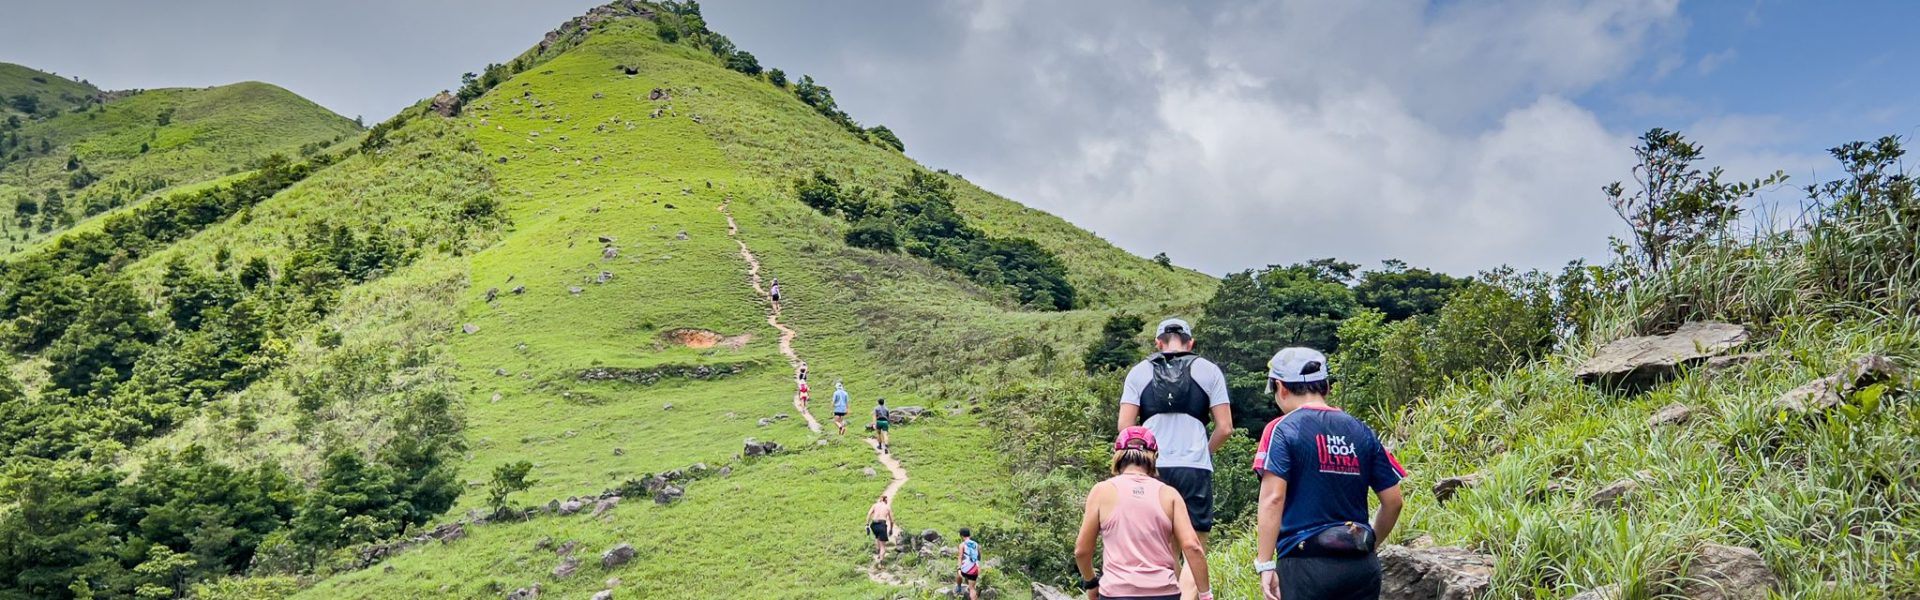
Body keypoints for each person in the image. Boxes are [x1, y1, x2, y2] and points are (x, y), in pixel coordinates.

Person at [1254, 347, 1405, 600]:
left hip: (1305, 565)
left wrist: (1265, 563)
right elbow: (1394, 501)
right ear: (1325, 387)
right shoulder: (1362, 430)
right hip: (1361, 567)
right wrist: (1368, 546)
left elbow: (1273, 499)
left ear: (1281, 387)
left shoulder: (1280, 429)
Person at [1116, 318, 1232, 600]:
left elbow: (1125, 427)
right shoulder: (1208, 370)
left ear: (1158, 343)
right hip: (1194, 467)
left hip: (1153, 468)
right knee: (1195, 543)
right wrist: (1204, 450)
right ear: (1190, 343)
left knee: (1166, 546)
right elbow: (1226, 428)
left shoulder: (1140, 372)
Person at [1073, 426, 1214, 600]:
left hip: (1116, 593)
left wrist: (1091, 583)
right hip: (1164, 593)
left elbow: (1082, 550)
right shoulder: (1169, 495)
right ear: (1154, 456)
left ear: (1117, 455)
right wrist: (1205, 595)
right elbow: (1193, 547)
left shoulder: (1101, 492)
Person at [954, 527, 982, 599]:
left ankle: (959, 587)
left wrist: (959, 568)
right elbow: (979, 557)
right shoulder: (976, 544)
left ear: (961, 535)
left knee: (958, 573)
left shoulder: (962, 545)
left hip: (965, 569)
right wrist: (978, 567)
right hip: (974, 569)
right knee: (972, 589)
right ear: (969, 534)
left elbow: (960, 557)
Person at [867, 494, 895, 562]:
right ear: (886, 501)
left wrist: (867, 525)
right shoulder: (887, 507)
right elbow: (892, 521)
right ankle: (881, 561)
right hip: (882, 525)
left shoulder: (875, 505)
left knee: (877, 537)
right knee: (883, 546)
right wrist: (891, 529)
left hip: (873, 524)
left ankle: (878, 553)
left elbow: (869, 514)